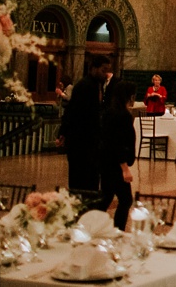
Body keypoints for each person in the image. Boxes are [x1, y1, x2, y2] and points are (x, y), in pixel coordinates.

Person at [57, 55, 112, 191]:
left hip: (91, 142)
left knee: (91, 181)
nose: (106, 74)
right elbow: (73, 111)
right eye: (103, 70)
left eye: (107, 71)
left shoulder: (97, 85)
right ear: (93, 68)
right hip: (81, 142)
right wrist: (63, 132)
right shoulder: (84, 86)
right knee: (80, 181)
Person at [99, 80, 136, 230]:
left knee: (106, 197)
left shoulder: (109, 112)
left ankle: (93, 225)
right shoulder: (123, 116)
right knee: (126, 200)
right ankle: (118, 230)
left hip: (106, 161)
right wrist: (125, 168)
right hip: (116, 164)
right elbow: (118, 142)